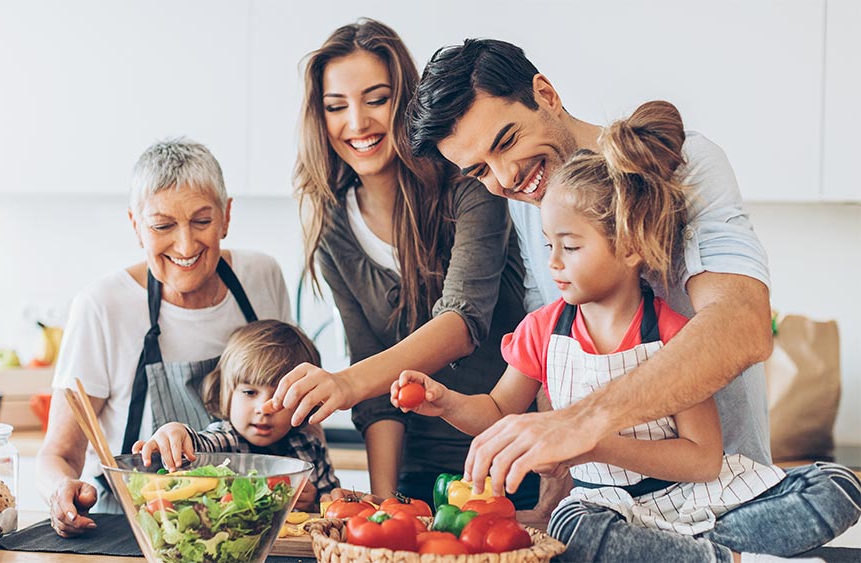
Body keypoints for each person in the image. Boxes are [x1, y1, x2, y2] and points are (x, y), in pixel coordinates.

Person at [395, 101, 861, 561]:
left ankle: (694, 552)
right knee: (573, 526)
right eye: (548, 245)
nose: (553, 262)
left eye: (571, 246)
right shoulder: (542, 329)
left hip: (697, 499)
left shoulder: (679, 337)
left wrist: (592, 439)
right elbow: (499, 411)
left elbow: (702, 460)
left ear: (631, 245)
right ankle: (723, 558)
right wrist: (447, 403)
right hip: (610, 508)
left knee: (838, 487)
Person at [406, 38, 776, 498]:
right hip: (604, 500)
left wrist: (583, 424)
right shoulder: (530, 200)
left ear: (546, 94)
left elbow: (743, 324)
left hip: (725, 493)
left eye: (506, 141)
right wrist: (554, 488)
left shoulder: (686, 163)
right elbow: (552, 363)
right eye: (479, 171)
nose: (505, 179)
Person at [264, 19, 548, 510]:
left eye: (376, 99)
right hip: (415, 474)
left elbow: (462, 322)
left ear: (407, 102)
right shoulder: (333, 226)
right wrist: (383, 504)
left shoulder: (471, 184)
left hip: (507, 461)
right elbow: (372, 375)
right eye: (336, 107)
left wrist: (345, 384)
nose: (356, 123)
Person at [36, 138, 293, 537]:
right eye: (163, 226)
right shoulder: (102, 306)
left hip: (246, 528)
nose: (186, 245)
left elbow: (297, 408)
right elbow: (59, 453)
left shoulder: (261, 278)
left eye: (202, 221)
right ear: (136, 226)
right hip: (134, 531)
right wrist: (60, 492)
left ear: (226, 216)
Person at [133, 319, 340, 512]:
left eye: (281, 397)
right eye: (250, 393)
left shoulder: (311, 447)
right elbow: (199, 445)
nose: (264, 409)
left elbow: (332, 504)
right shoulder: (226, 439)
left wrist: (314, 502)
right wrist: (176, 431)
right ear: (226, 394)